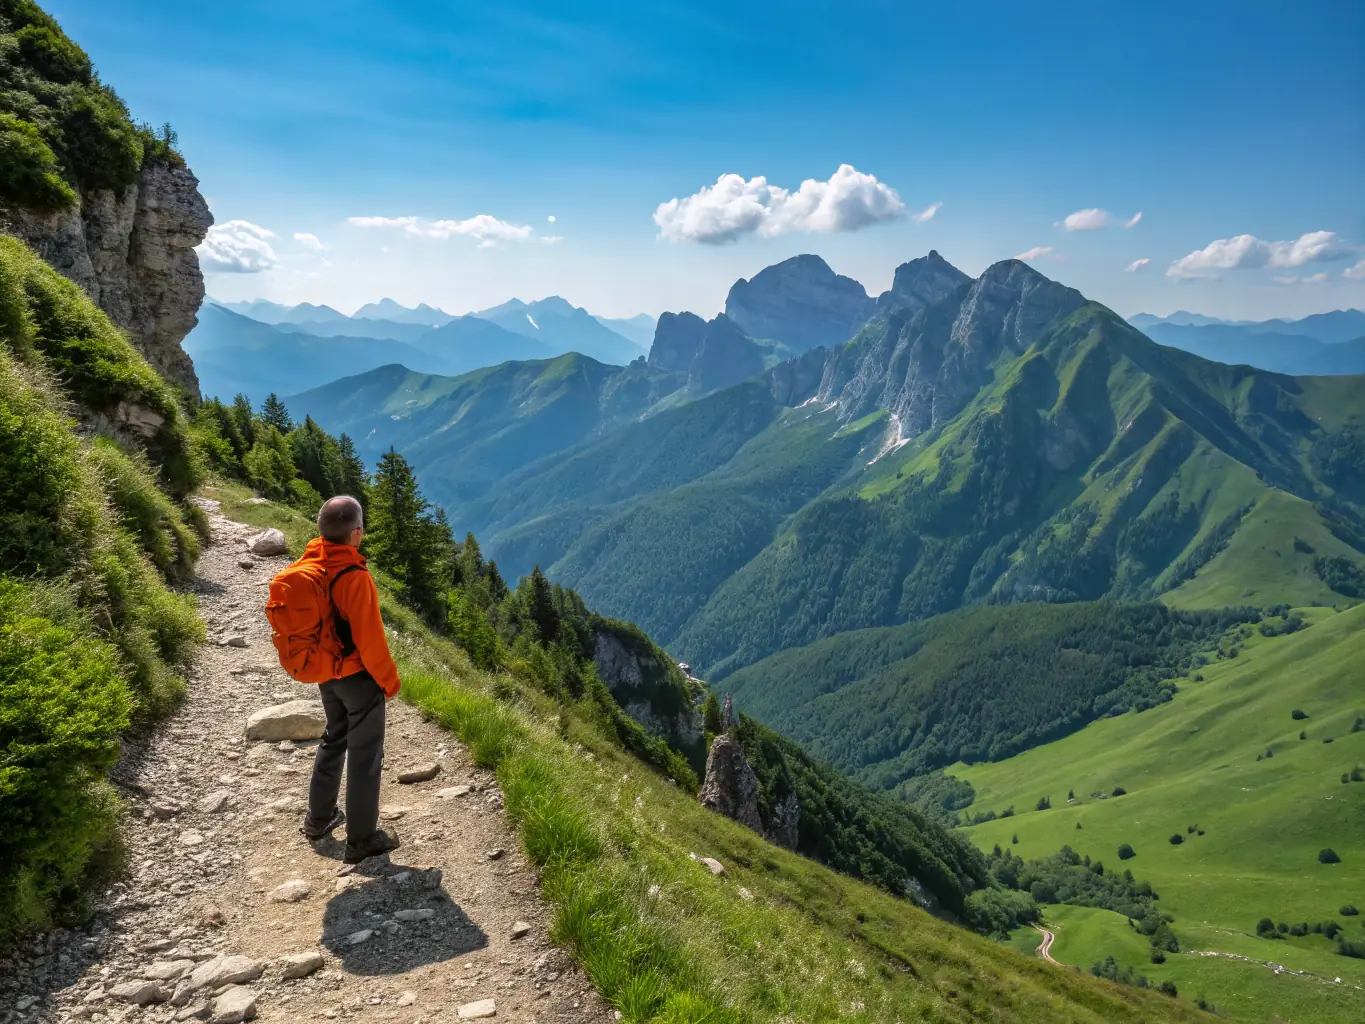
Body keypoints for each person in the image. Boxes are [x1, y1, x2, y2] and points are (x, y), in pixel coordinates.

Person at [292, 495, 402, 862]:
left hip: (327, 672)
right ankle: (362, 839)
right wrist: (389, 682)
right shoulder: (353, 576)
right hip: (357, 676)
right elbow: (371, 641)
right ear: (356, 533)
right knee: (366, 754)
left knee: (334, 736)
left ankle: (318, 819)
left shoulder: (311, 564)